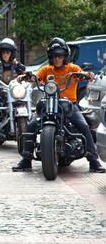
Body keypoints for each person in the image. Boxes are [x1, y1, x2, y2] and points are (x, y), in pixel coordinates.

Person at [12, 37, 105, 173]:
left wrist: (87, 75)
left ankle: (93, 161)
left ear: (64, 56)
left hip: (69, 104)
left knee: (84, 126)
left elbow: (82, 74)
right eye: (55, 56)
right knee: (31, 125)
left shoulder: (72, 68)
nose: (57, 59)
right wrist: (26, 76)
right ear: (51, 56)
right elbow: (36, 77)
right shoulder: (46, 69)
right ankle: (26, 160)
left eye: (60, 55)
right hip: (49, 103)